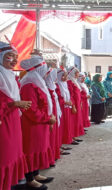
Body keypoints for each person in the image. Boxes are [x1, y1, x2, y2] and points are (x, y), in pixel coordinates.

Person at [20, 55, 56, 190]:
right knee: (30, 150)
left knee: (37, 149)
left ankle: (35, 174)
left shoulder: (36, 81)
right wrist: (47, 118)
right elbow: (31, 110)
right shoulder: (29, 84)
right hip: (32, 124)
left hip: (40, 123)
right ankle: (29, 179)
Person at [0, 41, 31, 190]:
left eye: (15, 57)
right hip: (3, 123)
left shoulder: (10, 75)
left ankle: (11, 184)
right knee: (4, 156)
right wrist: (14, 104)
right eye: (9, 56)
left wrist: (16, 104)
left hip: (13, 121)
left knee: (13, 154)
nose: (14, 60)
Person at [45, 68, 62, 163]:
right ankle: (50, 157)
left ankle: (54, 153)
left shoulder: (52, 86)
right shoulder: (46, 87)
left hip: (54, 113)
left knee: (54, 134)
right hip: (50, 114)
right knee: (51, 136)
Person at [56, 68, 73, 153]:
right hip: (61, 108)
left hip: (66, 107)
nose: (65, 77)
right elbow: (58, 98)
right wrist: (65, 102)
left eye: (66, 75)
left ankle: (63, 142)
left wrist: (69, 102)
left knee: (66, 125)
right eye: (63, 75)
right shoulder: (57, 85)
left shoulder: (64, 84)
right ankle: (59, 145)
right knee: (61, 127)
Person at [67, 66, 84, 144]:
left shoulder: (74, 81)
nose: (78, 74)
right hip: (74, 104)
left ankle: (74, 136)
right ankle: (71, 137)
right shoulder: (69, 82)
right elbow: (71, 95)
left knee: (77, 120)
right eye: (76, 72)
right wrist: (73, 106)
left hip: (77, 103)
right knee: (73, 121)